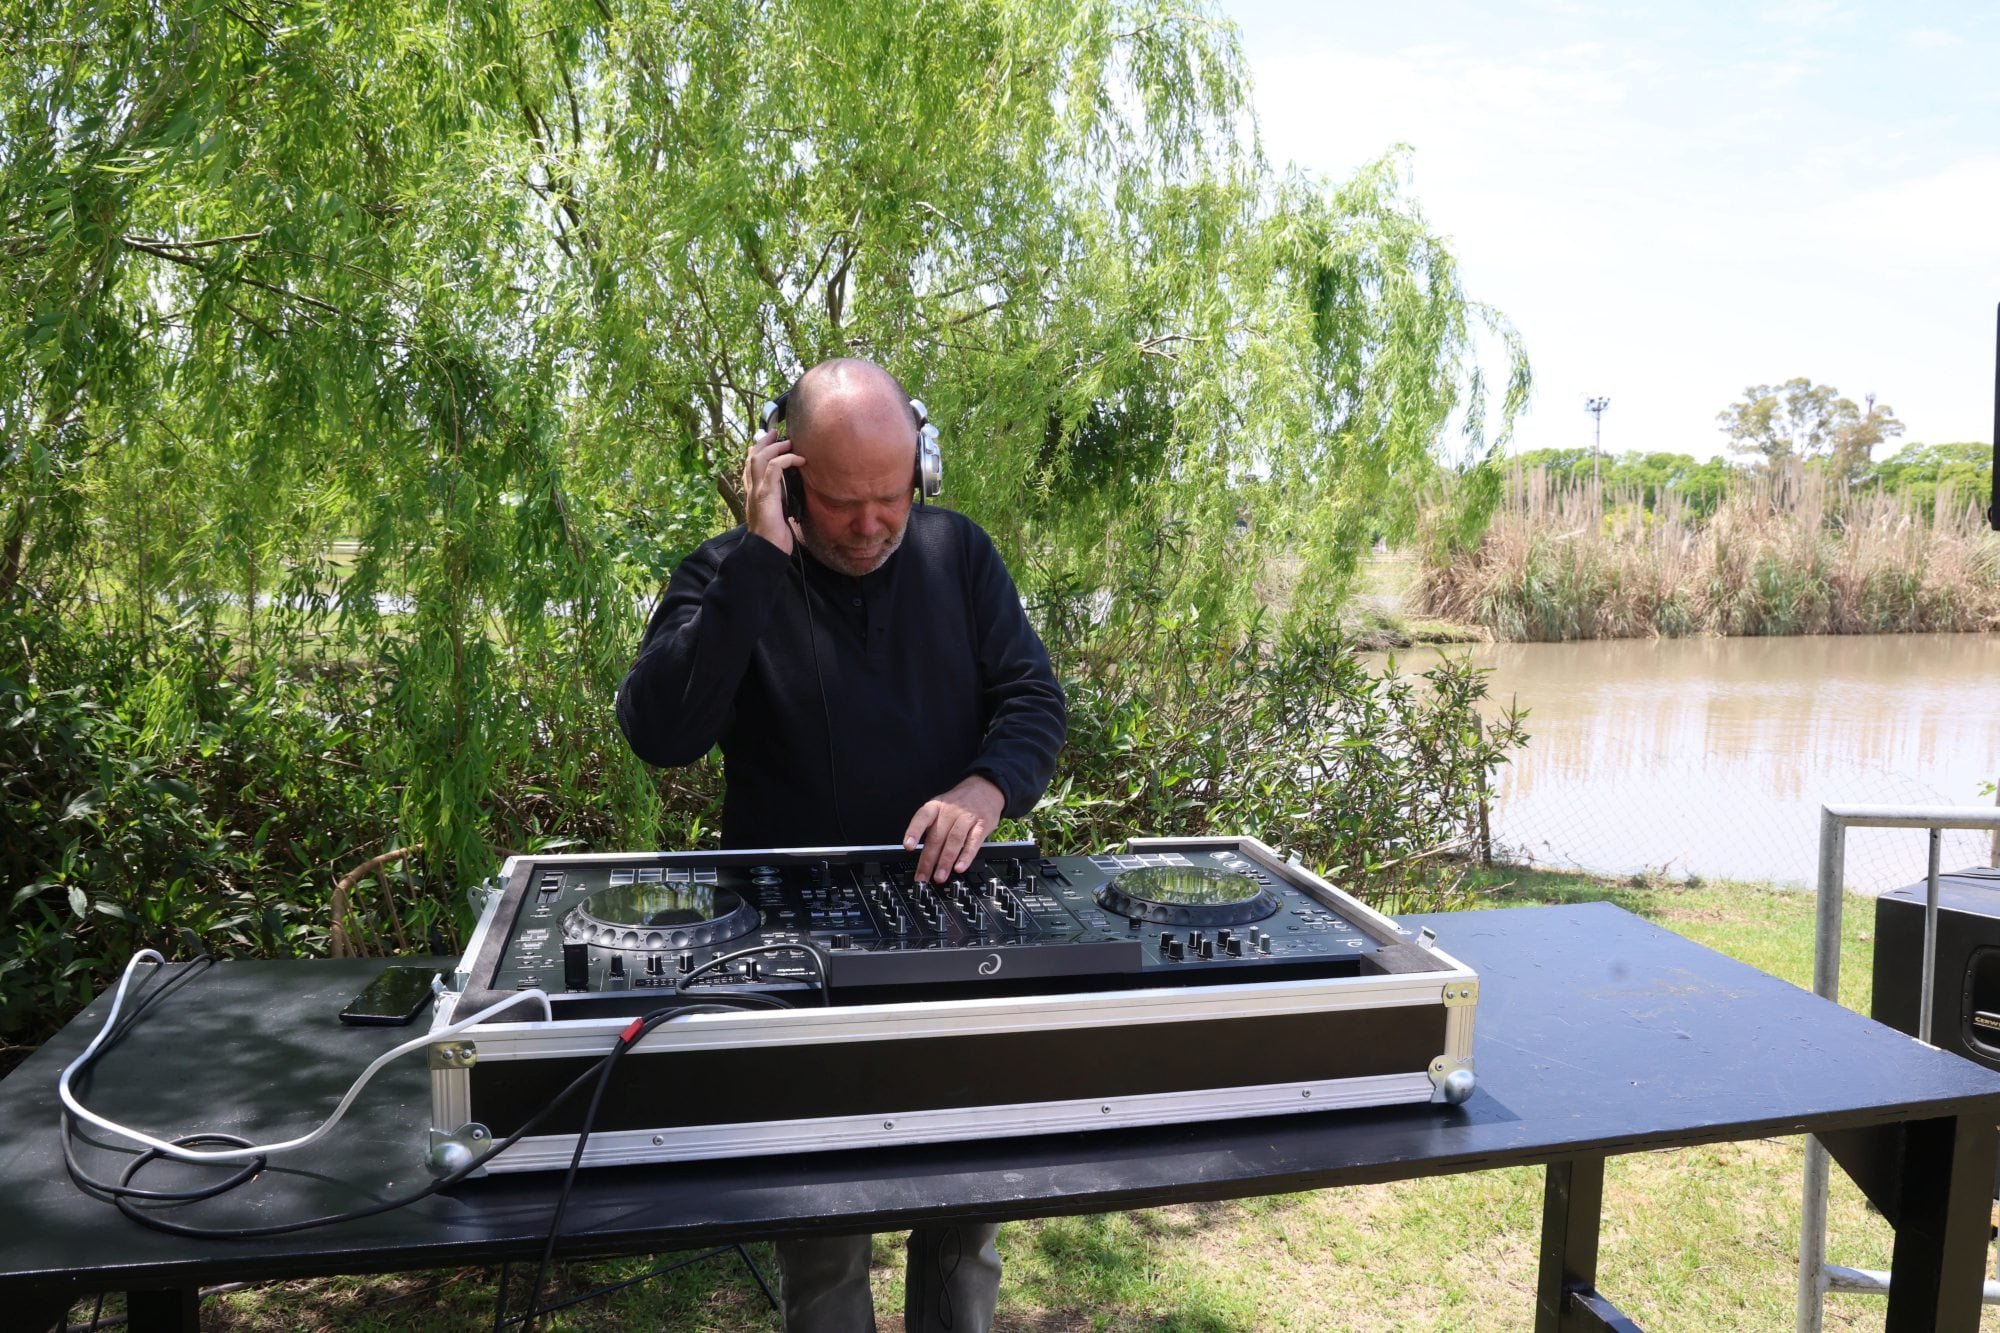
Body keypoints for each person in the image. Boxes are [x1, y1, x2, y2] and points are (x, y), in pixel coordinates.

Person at [615, 356, 1067, 1332]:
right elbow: (660, 733)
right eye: (839, 502)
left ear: (922, 475)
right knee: (823, 1233)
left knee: (961, 1224)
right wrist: (755, 565)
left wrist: (985, 786)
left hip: (952, 939)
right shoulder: (725, 574)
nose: (869, 525)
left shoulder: (961, 556)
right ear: (781, 478)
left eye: (890, 499)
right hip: (792, 957)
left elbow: (1031, 698)